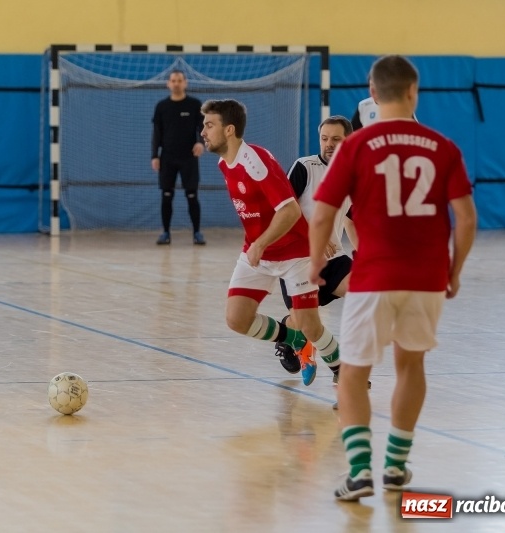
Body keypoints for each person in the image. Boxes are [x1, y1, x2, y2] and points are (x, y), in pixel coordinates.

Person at [308, 55, 477, 501]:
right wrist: (454, 271)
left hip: (374, 274)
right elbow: (465, 217)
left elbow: (323, 212)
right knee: (411, 365)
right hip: (425, 276)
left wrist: (313, 265)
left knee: (352, 375)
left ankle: (360, 471)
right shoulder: (442, 146)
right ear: (413, 92)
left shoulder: (356, 147)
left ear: (372, 92)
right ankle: (396, 467)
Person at [201, 98, 342, 386]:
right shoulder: (224, 163)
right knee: (237, 320)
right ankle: (294, 339)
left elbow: (289, 210)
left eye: (209, 125)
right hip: (258, 253)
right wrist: (257, 245)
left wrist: (261, 243)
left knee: (311, 325)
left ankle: (344, 372)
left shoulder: (256, 162)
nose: (203, 131)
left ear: (229, 130)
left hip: (294, 253)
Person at [272, 116, 359, 398]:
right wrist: (314, 237)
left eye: (336, 139)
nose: (329, 144)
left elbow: (351, 219)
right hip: (297, 259)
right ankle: (290, 338)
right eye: (325, 139)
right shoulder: (304, 168)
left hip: (333, 259)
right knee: (304, 321)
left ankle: (351, 367)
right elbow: (282, 212)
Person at [151, 70, 205, 245]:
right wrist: (154, 156)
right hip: (167, 158)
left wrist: (200, 143)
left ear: (185, 83)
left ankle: (197, 232)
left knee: (192, 195)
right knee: (166, 196)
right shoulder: (161, 106)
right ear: (168, 84)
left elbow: (203, 129)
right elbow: (157, 133)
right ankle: (166, 233)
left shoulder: (195, 105)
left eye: (179, 80)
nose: (176, 83)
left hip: (189, 158)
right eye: (173, 80)